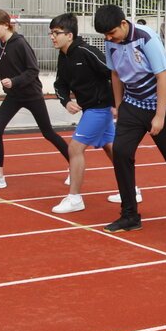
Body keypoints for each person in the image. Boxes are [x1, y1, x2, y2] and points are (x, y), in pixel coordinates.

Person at [93, 4, 166, 233]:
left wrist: (160, 116)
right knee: (121, 152)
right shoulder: (110, 42)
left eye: (112, 33)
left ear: (123, 24)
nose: (109, 38)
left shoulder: (146, 38)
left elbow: (162, 75)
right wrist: (119, 106)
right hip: (133, 104)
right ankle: (130, 215)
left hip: (163, 103)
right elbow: (115, 74)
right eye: (105, 35)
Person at [0, 9, 70, 191]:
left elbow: (33, 70)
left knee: (48, 133)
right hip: (13, 96)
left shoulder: (20, 44)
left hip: (31, 95)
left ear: (5, 25)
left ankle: (74, 164)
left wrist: (14, 81)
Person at [49, 13, 115, 214]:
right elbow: (59, 84)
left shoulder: (87, 52)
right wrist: (66, 101)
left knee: (75, 148)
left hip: (100, 108)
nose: (52, 37)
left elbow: (113, 74)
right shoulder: (64, 56)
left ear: (69, 35)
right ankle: (131, 189)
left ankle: (75, 198)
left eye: (56, 33)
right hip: (90, 108)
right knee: (113, 149)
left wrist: (117, 103)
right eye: (51, 33)